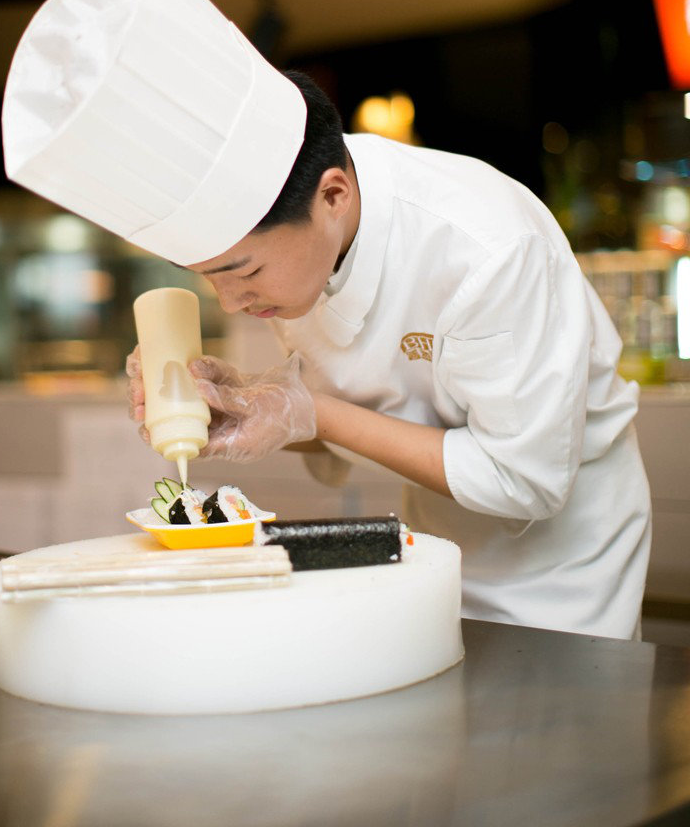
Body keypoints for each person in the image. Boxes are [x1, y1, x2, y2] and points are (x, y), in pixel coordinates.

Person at [127, 70, 652, 642]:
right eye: (209, 279)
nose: (230, 302)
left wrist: (310, 412)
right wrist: (247, 404)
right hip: (436, 540)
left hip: (563, 564)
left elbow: (526, 479)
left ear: (333, 195)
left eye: (245, 271)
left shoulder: (486, 248)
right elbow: (362, 411)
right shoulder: (308, 249)